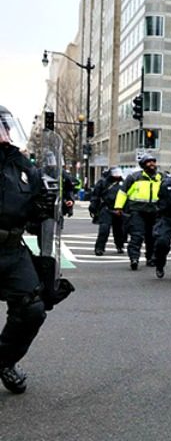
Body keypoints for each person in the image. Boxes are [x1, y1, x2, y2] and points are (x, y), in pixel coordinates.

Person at [0, 106, 52, 394]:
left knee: (32, 309)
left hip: (11, 249)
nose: (4, 134)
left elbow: (32, 214)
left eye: (5, 127)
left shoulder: (21, 166)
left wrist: (44, 207)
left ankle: (4, 360)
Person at [114, 154, 163, 270]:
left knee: (153, 236)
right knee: (137, 235)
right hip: (137, 211)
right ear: (143, 165)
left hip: (155, 211)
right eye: (149, 162)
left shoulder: (160, 178)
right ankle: (134, 258)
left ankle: (150, 258)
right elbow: (123, 192)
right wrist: (118, 207)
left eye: (153, 162)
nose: (152, 164)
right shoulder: (134, 177)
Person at [90, 166, 125, 256]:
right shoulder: (103, 182)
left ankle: (120, 246)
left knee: (119, 230)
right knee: (104, 230)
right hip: (106, 208)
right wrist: (93, 207)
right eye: (115, 173)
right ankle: (99, 248)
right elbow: (96, 195)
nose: (117, 175)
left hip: (119, 209)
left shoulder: (123, 183)